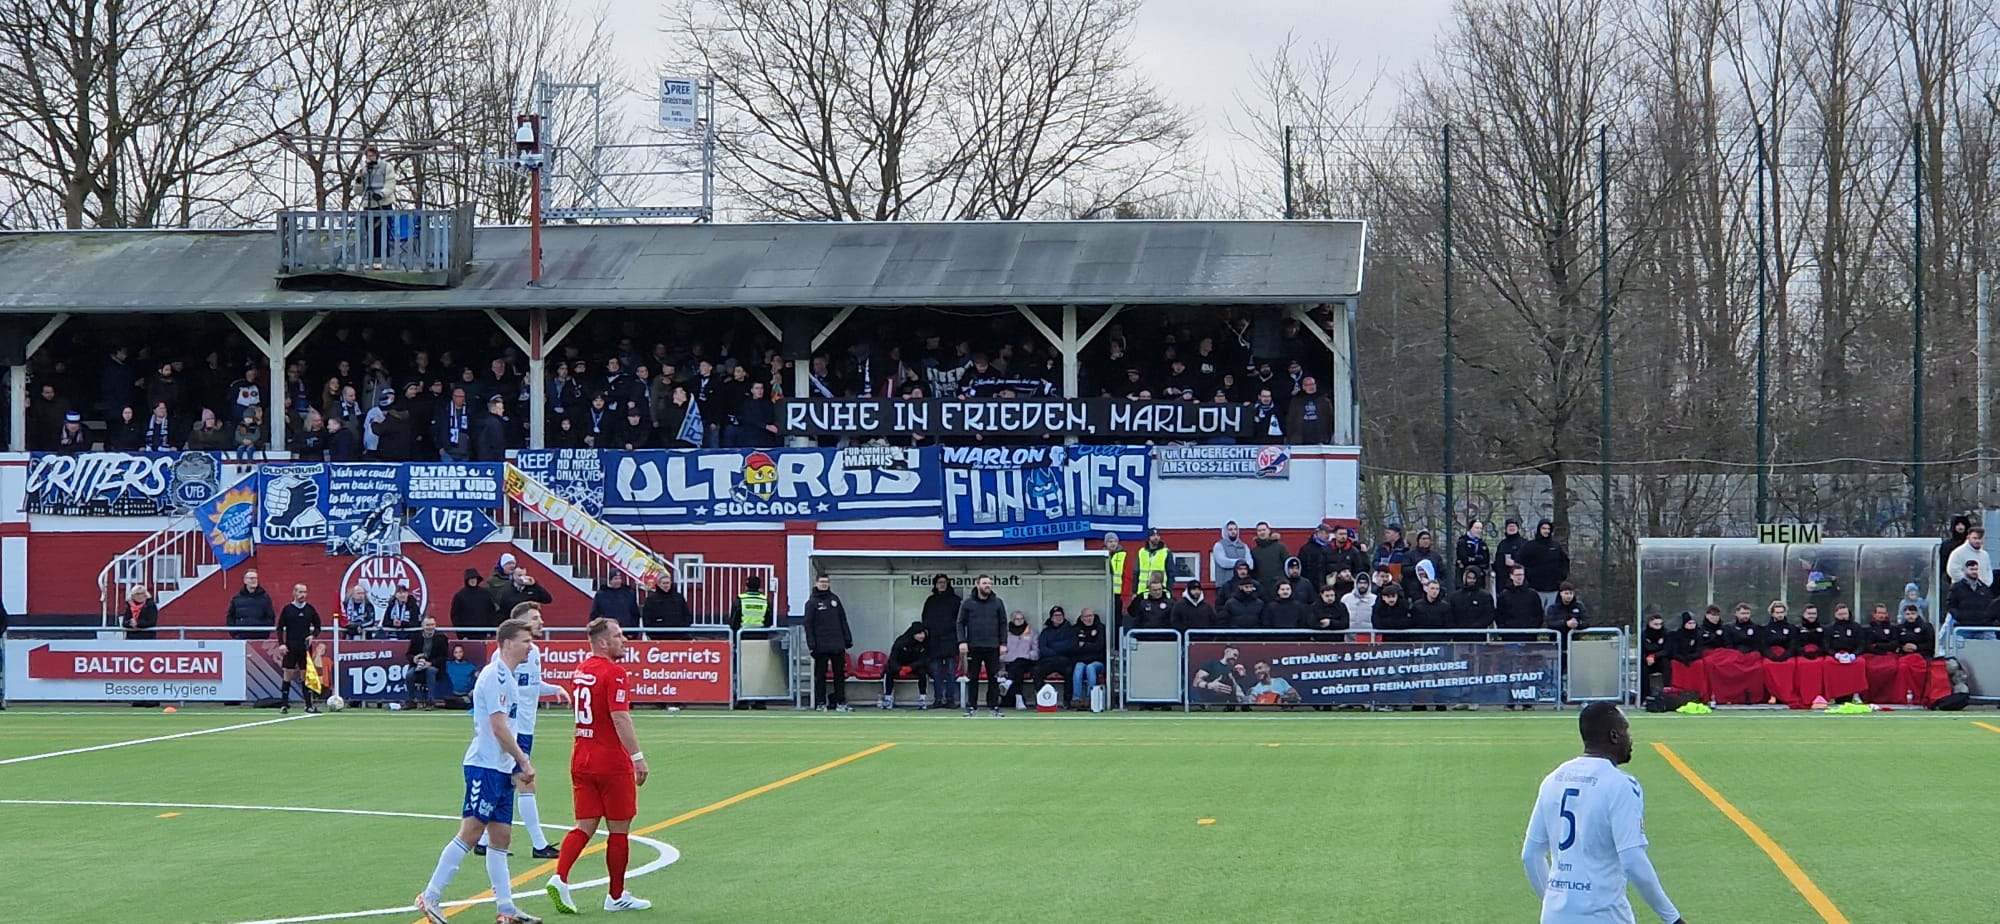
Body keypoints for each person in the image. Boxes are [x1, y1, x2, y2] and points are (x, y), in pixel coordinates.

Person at [413, 618, 542, 924]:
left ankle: (506, 908)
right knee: (471, 832)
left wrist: (513, 764)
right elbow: (498, 726)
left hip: (499, 767)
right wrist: (523, 761)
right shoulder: (495, 675)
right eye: (526, 641)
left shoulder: (509, 676)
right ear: (508, 643)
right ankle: (430, 896)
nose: (530, 646)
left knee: (502, 836)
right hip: (483, 765)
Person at [1521, 703, 1685, 924]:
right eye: (1626, 729)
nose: (1631, 737)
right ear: (1614, 735)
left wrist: (1553, 902)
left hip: (1554, 917)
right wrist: (1672, 918)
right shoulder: (1621, 784)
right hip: (1604, 916)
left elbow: (1530, 855)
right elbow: (1633, 860)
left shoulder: (1553, 779)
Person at [546, 618, 653, 914]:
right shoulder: (614, 673)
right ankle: (616, 896)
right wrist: (637, 756)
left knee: (584, 825)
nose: (625, 640)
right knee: (619, 830)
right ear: (603, 642)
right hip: (610, 761)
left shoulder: (581, 670)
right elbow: (620, 717)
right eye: (619, 635)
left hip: (581, 756)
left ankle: (560, 877)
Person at [476, 603, 569, 860]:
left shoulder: (533, 653)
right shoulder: (501, 660)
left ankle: (483, 840)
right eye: (534, 618)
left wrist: (554, 689)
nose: (540, 622)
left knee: (507, 785)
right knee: (525, 783)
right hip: (514, 730)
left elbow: (530, 686)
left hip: (526, 728)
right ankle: (539, 845)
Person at [956, 574, 1008, 717]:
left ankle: (994, 707)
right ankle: (972, 706)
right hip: (974, 646)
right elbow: (960, 623)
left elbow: (1003, 624)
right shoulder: (967, 603)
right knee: (973, 677)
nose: (988, 586)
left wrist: (1003, 643)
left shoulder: (998, 602)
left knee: (994, 677)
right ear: (977, 584)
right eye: (985, 583)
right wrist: (962, 641)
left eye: (989, 583)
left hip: (993, 646)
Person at [803, 574, 853, 712]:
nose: (824, 584)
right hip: (820, 645)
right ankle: (820, 703)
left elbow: (842, 619)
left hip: (837, 644)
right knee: (820, 675)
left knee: (839, 675)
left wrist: (847, 639)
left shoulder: (834, 599)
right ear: (816, 583)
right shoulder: (811, 602)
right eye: (822, 582)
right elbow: (808, 625)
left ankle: (840, 702)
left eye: (826, 582)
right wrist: (811, 644)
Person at [276, 584, 323, 714]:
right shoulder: (288, 609)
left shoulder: (310, 609)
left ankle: (308, 705)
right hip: (290, 647)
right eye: (300, 592)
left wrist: (313, 635)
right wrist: (282, 644)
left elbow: (318, 626)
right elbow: (279, 628)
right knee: (288, 674)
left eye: (305, 592)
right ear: (294, 593)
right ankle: (284, 704)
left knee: (305, 676)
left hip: (305, 648)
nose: (303, 595)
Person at [919, 574, 962, 709]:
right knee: (936, 671)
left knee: (950, 671)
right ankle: (938, 699)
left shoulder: (956, 601)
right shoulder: (930, 600)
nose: (942, 585)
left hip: (950, 640)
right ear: (935, 585)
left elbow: (960, 620)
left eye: (944, 582)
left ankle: (950, 699)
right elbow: (925, 618)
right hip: (934, 640)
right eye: (939, 582)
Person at [879, 621, 931, 710]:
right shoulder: (901, 641)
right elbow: (892, 660)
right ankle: (888, 699)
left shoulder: (925, 643)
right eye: (919, 633)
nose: (922, 636)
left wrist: (910, 667)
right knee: (888, 671)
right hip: (900, 665)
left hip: (914, 666)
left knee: (923, 671)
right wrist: (899, 669)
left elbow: (925, 660)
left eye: (923, 633)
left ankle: (922, 700)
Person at [1521, 520, 1571, 612]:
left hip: (1553, 588)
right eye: (1544, 528)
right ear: (1539, 529)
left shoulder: (1556, 546)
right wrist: (1528, 576)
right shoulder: (1530, 546)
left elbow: (1565, 561)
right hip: (1535, 588)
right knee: (1535, 614)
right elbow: (1520, 563)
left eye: (1548, 529)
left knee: (1552, 614)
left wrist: (1562, 576)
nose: (1546, 531)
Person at [407, 617, 450, 710]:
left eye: (432, 625)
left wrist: (430, 663)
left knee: (430, 671)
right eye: (428, 625)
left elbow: (444, 657)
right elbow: (408, 654)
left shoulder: (442, 638)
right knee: (409, 675)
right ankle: (411, 701)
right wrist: (414, 658)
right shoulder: (416, 637)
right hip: (418, 666)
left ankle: (430, 701)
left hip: (435, 667)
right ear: (423, 626)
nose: (430, 627)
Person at [1037, 606, 1078, 697]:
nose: (1058, 617)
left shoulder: (1070, 630)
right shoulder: (1046, 632)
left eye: (1060, 615)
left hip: (1065, 661)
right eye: (1056, 615)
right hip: (1049, 661)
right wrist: (1059, 650)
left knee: (1070, 672)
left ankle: (1067, 700)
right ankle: (1043, 698)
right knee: (1037, 671)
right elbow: (1042, 648)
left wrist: (1053, 647)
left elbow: (1071, 646)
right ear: (1051, 618)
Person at [1001, 610, 1039, 708]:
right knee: (1017, 670)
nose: (1020, 621)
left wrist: (1029, 655)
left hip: (1027, 661)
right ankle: (1019, 698)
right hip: (1010, 662)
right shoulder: (1006, 634)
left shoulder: (1031, 633)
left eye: (1021, 619)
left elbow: (1036, 650)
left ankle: (1008, 683)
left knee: (1018, 663)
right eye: (1017, 619)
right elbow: (1001, 652)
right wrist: (1008, 657)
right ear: (1013, 620)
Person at [224, 570, 276, 641]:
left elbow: (271, 617)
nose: (254, 580)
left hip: (260, 638)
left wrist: (264, 632)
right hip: (241, 637)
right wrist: (234, 633)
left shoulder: (265, 598)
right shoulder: (236, 599)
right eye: (251, 578)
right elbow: (230, 617)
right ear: (245, 580)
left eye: (256, 578)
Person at [1071, 608, 1108, 709]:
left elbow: (1100, 646)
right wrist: (1090, 646)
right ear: (1082, 618)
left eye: (1091, 616)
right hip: (1082, 660)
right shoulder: (1076, 629)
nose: (1089, 618)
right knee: (1078, 667)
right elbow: (1074, 647)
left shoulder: (1101, 628)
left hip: (1098, 662)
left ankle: (1090, 698)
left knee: (1090, 668)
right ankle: (1076, 698)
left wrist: (1084, 645)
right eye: (1086, 616)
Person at [639, 573, 693, 639]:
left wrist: (683, 628)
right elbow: (647, 619)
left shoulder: (679, 597)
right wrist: (652, 634)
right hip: (658, 637)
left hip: (679, 636)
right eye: (664, 583)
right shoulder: (651, 599)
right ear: (659, 584)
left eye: (667, 583)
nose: (666, 585)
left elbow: (687, 615)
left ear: (670, 583)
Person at [450, 568, 496, 640]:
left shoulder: (485, 594)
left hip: (484, 634)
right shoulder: (460, 595)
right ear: (467, 580)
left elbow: (491, 612)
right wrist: (461, 635)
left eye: (474, 578)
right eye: (470, 578)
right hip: (466, 634)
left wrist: (490, 632)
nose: (473, 580)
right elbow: (455, 616)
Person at [1211, 521, 1251, 590]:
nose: (1233, 532)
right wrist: (1240, 562)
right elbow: (1223, 562)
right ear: (1226, 531)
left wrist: (1243, 563)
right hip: (1224, 585)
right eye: (1230, 529)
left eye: (1235, 529)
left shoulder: (1244, 546)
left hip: (1241, 585)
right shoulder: (1219, 546)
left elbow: (1250, 564)